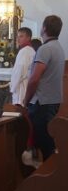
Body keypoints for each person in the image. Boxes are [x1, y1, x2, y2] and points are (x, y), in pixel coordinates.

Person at [23, 15, 65, 161]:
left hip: (42, 102)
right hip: (53, 100)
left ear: (44, 28)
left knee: (45, 143)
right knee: (49, 141)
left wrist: (26, 99)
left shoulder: (45, 49)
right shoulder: (59, 48)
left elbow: (34, 79)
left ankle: (50, 178)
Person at [10, 27, 36, 107]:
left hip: (21, 86)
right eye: (18, 36)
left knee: (19, 109)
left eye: (21, 36)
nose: (18, 39)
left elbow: (19, 71)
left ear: (28, 38)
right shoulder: (30, 50)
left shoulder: (24, 51)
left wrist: (12, 87)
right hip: (26, 84)